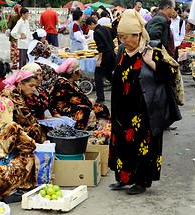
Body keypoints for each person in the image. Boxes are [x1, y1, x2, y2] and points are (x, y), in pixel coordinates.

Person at [109, 9, 181, 195]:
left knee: (143, 147)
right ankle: (123, 179)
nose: (123, 41)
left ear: (138, 34)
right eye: (120, 37)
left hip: (145, 112)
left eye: (126, 37)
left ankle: (141, 182)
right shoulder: (122, 52)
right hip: (122, 110)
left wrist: (152, 64)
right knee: (122, 146)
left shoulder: (152, 50)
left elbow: (171, 74)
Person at [49, 58, 110, 130]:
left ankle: (103, 128)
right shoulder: (63, 84)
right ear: (74, 72)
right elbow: (79, 100)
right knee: (85, 110)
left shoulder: (71, 82)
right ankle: (87, 130)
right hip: (63, 111)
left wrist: (90, 102)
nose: (81, 72)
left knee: (101, 108)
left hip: (72, 107)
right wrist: (90, 102)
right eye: (79, 70)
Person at [1, 70, 46, 143]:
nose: (34, 89)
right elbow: (28, 123)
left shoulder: (16, 94)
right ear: (20, 84)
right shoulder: (15, 99)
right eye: (31, 86)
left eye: (35, 86)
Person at [86, 17, 116, 103]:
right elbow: (114, 33)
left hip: (105, 56)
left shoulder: (96, 32)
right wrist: (109, 41)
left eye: (89, 26)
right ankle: (119, 88)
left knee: (98, 76)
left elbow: (101, 47)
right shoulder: (105, 28)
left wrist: (99, 59)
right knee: (108, 73)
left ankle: (100, 97)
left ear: (92, 24)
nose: (89, 28)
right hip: (112, 54)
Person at [7, 4, 22, 69]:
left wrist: (9, 19)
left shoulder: (13, 17)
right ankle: (19, 63)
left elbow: (9, 26)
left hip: (13, 36)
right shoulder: (22, 17)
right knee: (19, 50)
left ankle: (15, 64)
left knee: (13, 51)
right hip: (20, 36)